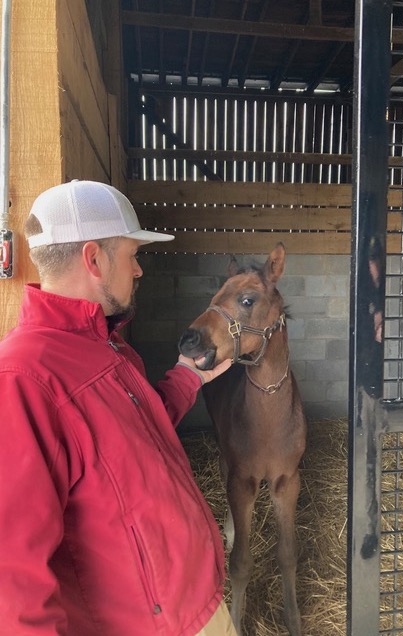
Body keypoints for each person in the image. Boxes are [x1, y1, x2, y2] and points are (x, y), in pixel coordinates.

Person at [0, 180, 236, 636]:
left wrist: (189, 375)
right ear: (94, 259)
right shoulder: (22, 378)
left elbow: (135, 436)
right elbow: (11, 576)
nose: (139, 271)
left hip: (194, 606)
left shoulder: (106, 346)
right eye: (132, 255)